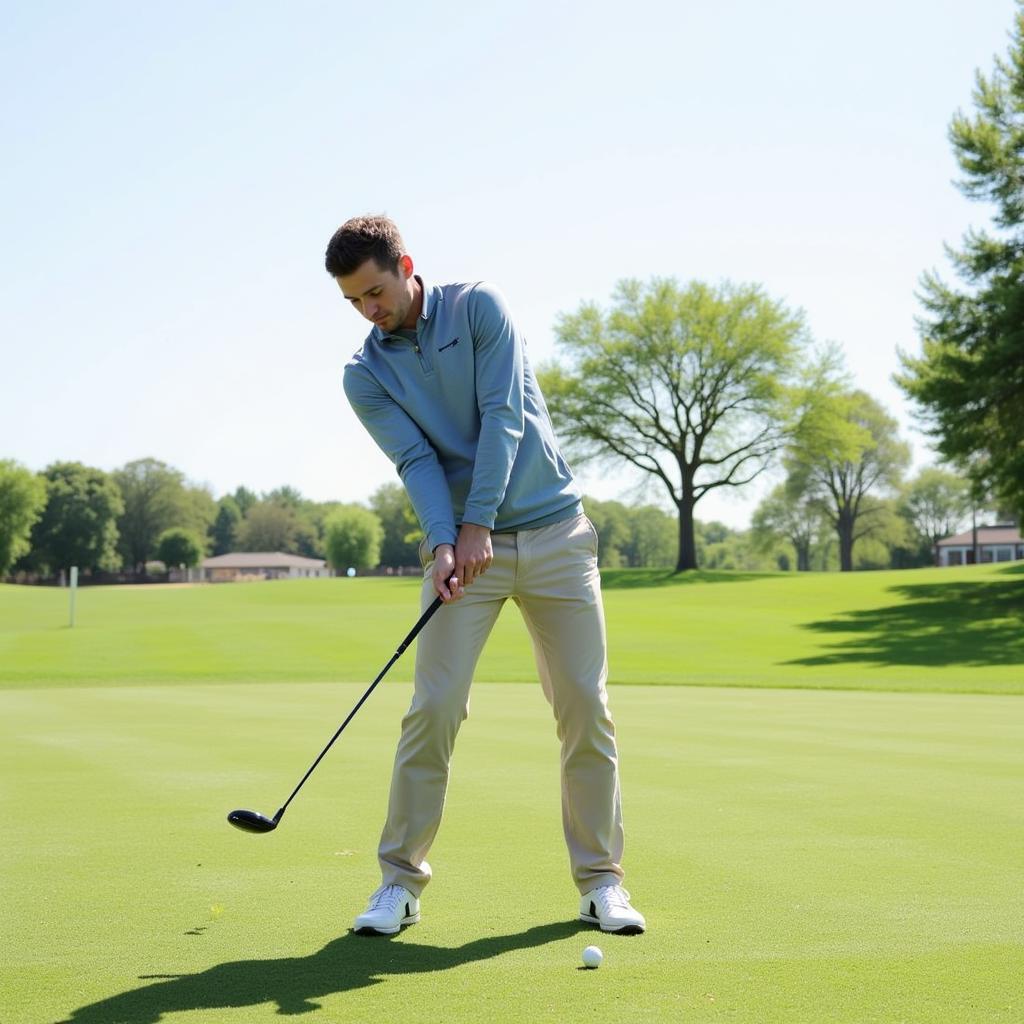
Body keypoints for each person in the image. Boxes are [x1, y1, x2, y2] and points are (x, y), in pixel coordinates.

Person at [324, 214, 645, 937]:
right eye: (353, 302)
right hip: (467, 551)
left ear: (406, 265)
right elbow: (416, 462)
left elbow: (505, 417)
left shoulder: (479, 307)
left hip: (557, 533)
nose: (369, 311)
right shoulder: (364, 373)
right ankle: (398, 885)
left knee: (584, 709)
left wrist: (476, 524)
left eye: (375, 291)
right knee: (433, 708)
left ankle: (601, 884)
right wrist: (445, 542)